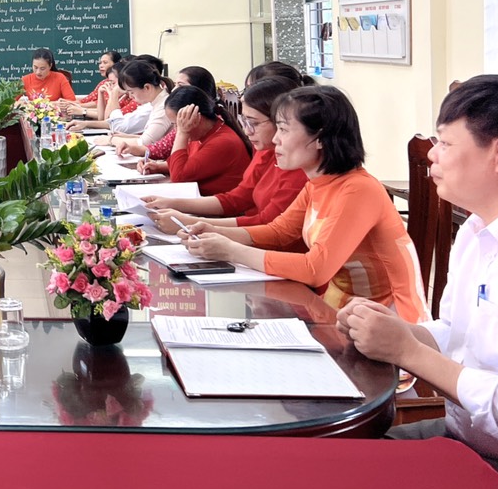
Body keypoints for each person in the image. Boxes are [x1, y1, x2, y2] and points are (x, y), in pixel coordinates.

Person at [339, 75, 498, 489]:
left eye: (445, 143)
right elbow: (457, 332)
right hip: (466, 440)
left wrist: (408, 353)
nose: (431, 154)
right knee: (325, 463)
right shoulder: (477, 229)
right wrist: (399, 331)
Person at [181, 85, 429, 321]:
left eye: (284, 130)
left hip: (387, 320)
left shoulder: (359, 189)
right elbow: (279, 232)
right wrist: (213, 230)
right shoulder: (317, 183)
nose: (276, 140)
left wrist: (231, 250)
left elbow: (315, 269)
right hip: (341, 309)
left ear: (320, 137)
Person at [145, 76, 309, 231]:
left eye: (253, 123)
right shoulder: (265, 150)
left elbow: (270, 226)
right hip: (247, 229)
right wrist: (171, 203)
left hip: (254, 234)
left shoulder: (296, 165)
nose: (247, 131)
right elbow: (238, 197)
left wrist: (189, 223)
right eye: (245, 121)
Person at [143, 85, 252, 194]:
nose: (176, 130)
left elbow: (178, 178)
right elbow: (187, 163)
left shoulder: (223, 142)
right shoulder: (201, 134)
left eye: (177, 124)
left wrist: (182, 133)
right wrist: (158, 166)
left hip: (220, 202)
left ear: (195, 117)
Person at [106, 59, 171, 147]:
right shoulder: (154, 103)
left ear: (147, 87)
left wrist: (111, 140)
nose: (130, 96)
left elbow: (145, 143)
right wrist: (124, 137)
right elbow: (149, 138)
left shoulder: (163, 107)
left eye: (132, 92)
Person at [59, 50, 120, 118]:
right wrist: (69, 103)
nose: (101, 66)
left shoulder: (117, 86)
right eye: (100, 63)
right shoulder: (103, 82)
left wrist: (80, 109)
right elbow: (87, 100)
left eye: (105, 63)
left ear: (116, 65)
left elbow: (103, 109)